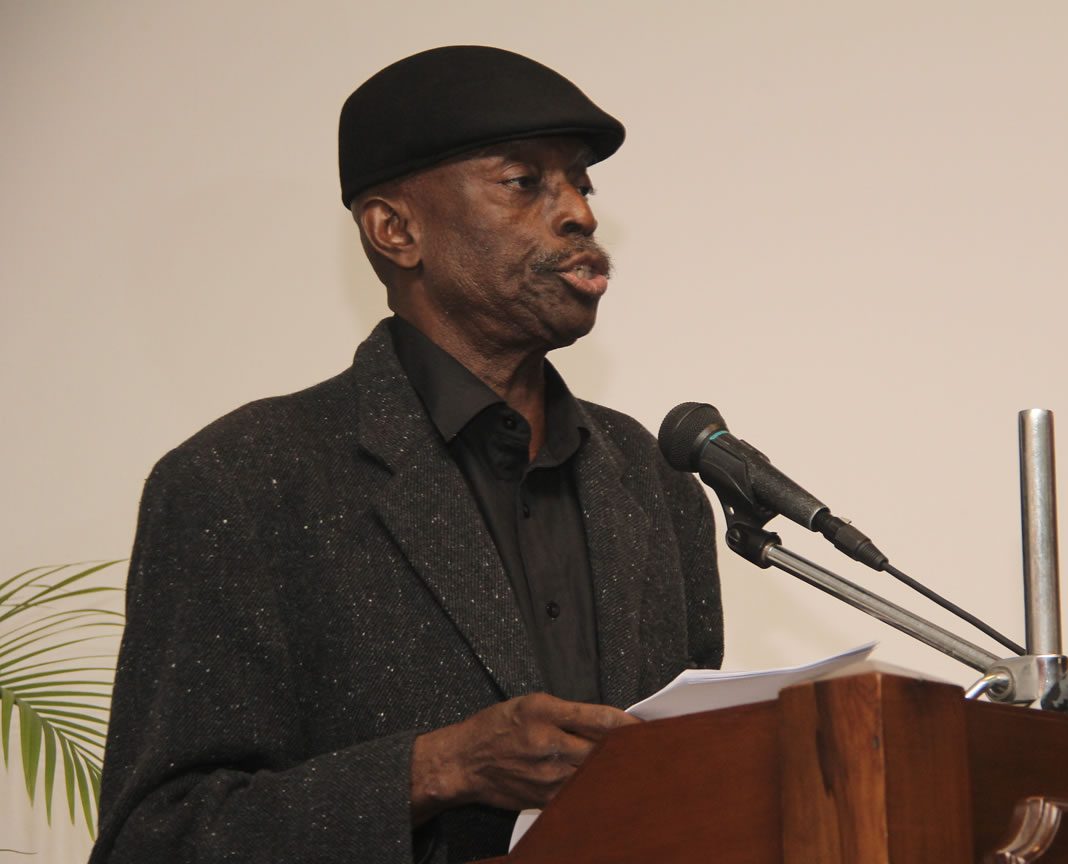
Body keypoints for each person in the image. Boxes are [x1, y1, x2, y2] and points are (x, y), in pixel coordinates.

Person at [90, 46, 723, 864]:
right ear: (396, 230)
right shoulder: (242, 482)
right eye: (524, 182)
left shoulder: (651, 477)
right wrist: (437, 769)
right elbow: (157, 839)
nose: (579, 213)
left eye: (582, 184)